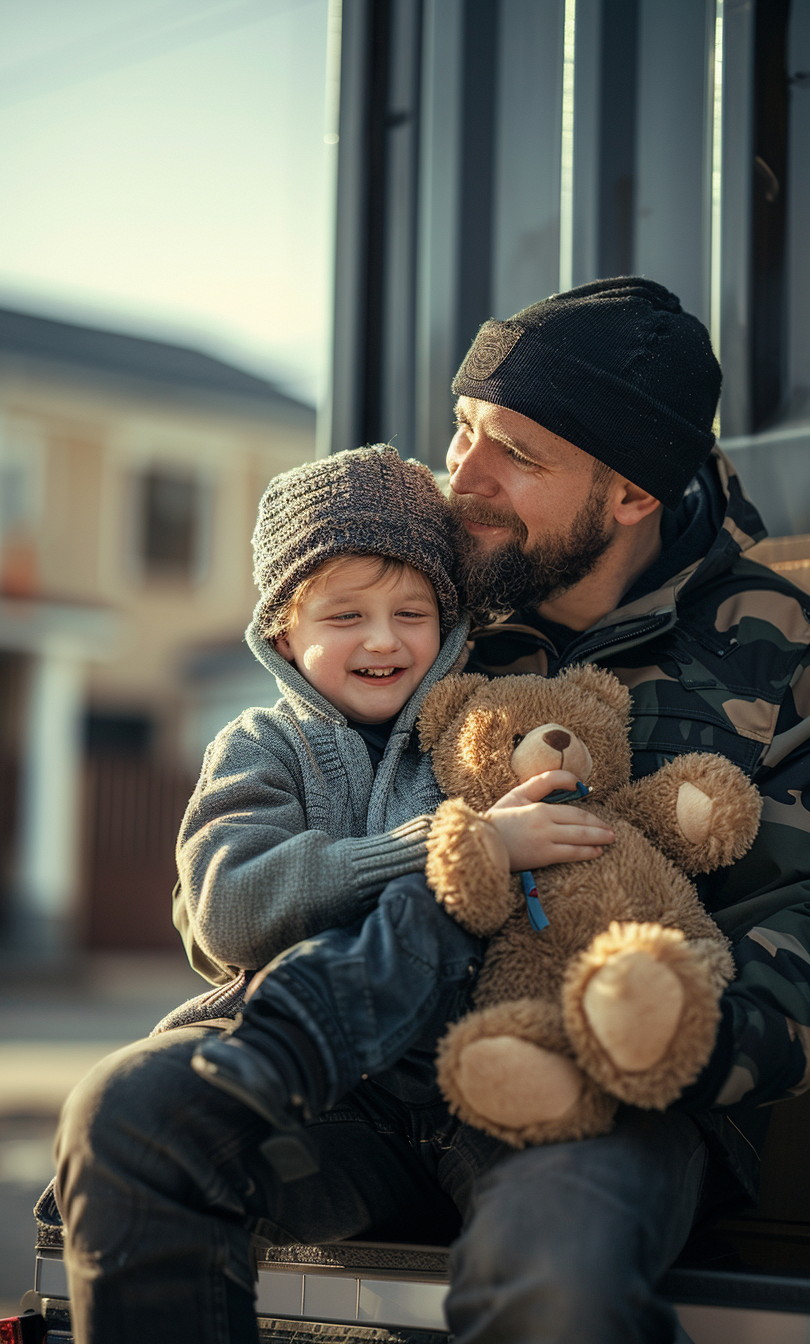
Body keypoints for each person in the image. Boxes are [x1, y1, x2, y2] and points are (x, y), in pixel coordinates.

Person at [53, 277, 810, 1344]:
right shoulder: (422, 597)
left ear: (628, 496)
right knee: (130, 1114)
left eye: (516, 453)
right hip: (364, 1073)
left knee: (550, 1280)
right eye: (463, 428)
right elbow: (251, 861)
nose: (459, 476)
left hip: (589, 1100)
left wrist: (665, 1029)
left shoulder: (776, 644)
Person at [169, 445, 612, 1179]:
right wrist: (456, 846)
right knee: (415, 900)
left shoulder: (474, 733)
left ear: (448, 623)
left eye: (411, 612)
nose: (383, 638)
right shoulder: (262, 744)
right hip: (311, 1079)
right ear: (284, 633)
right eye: (346, 615)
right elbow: (229, 910)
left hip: (459, 1081)